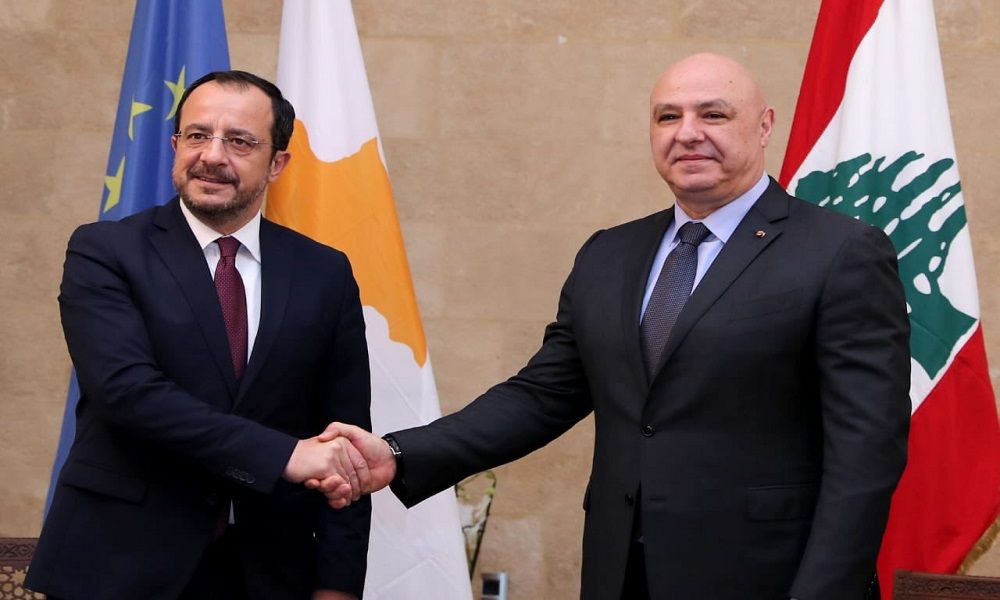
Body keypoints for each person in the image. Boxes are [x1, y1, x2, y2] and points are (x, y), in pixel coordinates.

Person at [319, 54, 911, 600]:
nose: (688, 132)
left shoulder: (840, 252)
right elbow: (540, 396)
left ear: (764, 126)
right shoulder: (609, 254)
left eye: (713, 114)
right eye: (668, 116)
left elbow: (866, 452)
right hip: (620, 572)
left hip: (766, 576)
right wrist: (399, 453)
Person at [28, 71, 372, 600]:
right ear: (175, 145)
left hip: (268, 572)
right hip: (118, 565)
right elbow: (127, 392)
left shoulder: (324, 272)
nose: (212, 156)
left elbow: (344, 436)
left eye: (239, 141)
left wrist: (337, 584)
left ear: (277, 163)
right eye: (197, 135)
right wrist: (284, 454)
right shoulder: (105, 251)